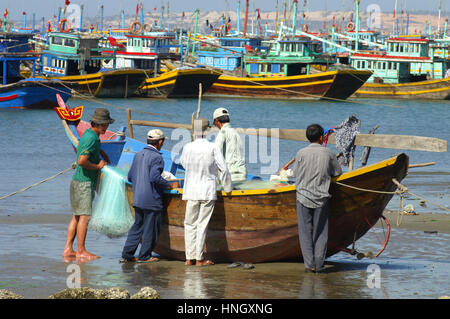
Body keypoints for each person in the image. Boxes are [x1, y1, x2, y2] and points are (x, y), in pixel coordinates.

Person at [180, 118, 233, 266]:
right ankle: (199, 259)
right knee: (202, 225)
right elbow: (224, 169)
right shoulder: (213, 147)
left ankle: (189, 258)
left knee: (190, 224)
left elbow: (184, 164)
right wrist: (228, 187)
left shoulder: (187, 147)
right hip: (207, 190)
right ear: (207, 131)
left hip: (191, 190)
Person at [62, 108, 114, 259]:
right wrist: (98, 166)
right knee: (84, 217)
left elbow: (80, 148)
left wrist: (101, 153)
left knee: (76, 217)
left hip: (76, 181)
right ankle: (81, 251)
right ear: (100, 124)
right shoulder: (92, 138)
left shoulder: (88, 134)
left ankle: (68, 249)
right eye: (106, 125)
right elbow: (81, 160)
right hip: (84, 183)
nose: (107, 127)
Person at [120, 129, 178, 263]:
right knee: (151, 228)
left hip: (138, 198)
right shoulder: (157, 157)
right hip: (151, 199)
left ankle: (127, 255)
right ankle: (145, 256)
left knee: (137, 226)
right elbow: (155, 177)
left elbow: (130, 176)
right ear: (160, 142)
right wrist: (169, 185)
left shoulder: (138, 154)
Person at [293, 124, 342, 273]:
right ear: (321, 138)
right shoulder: (328, 153)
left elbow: (295, 174)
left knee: (305, 233)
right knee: (320, 233)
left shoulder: (301, 153)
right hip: (321, 197)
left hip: (302, 197)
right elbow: (337, 172)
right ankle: (319, 265)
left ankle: (310, 266)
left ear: (308, 137)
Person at [213, 107, 247, 182]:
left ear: (216, 121)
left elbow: (215, 152)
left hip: (230, 175)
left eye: (215, 123)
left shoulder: (222, 132)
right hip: (243, 174)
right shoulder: (236, 133)